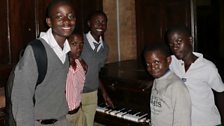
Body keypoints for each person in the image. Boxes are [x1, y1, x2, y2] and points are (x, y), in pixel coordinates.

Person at [11, 0, 76, 126]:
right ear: (49, 22)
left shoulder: (66, 50)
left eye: (70, 16)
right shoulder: (36, 50)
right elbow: (21, 98)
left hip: (62, 120)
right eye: (59, 16)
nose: (67, 21)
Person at [167, 26, 224, 126]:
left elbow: (220, 92)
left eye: (179, 42)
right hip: (183, 121)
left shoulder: (208, 67)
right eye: (171, 44)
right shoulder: (171, 62)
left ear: (190, 40)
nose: (175, 47)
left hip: (207, 121)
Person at [144, 42, 191, 126]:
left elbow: (183, 122)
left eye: (156, 62)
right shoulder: (157, 80)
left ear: (168, 60)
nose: (152, 67)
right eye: (148, 64)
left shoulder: (177, 87)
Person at [80, 10, 114, 126]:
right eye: (97, 22)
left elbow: (96, 73)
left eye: (104, 22)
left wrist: (104, 93)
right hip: (76, 94)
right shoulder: (79, 41)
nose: (100, 25)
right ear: (89, 23)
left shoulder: (105, 48)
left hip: (92, 95)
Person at [66, 33, 87, 126]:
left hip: (79, 114)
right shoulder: (60, 67)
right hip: (64, 117)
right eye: (74, 44)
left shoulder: (81, 66)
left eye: (81, 44)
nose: (79, 48)